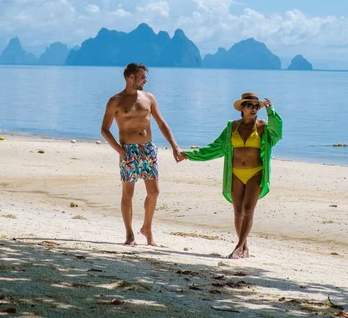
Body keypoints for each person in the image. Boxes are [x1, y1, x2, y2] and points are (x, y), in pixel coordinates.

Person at [179, 92, 282, 259]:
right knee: (237, 211)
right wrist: (189, 154)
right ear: (242, 107)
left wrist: (271, 112)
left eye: (257, 106)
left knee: (248, 210)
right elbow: (215, 148)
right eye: (250, 105)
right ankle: (244, 248)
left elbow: (277, 132)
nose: (254, 109)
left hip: (255, 173)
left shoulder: (263, 126)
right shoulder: (231, 127)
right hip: (234, 173)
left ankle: (238, 247)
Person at [101, 63, 181, 246]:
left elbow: (161, 123)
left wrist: (174, 146)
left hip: (148, 150)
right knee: (128, 194)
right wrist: (120, 151)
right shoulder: (115, 100)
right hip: (128, 151)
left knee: (154, 192)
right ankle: (129, 234)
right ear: (131, 77)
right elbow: (105, 130)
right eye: (142, 76)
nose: (146, 80)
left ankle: (147, 228)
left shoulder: (149, 98)